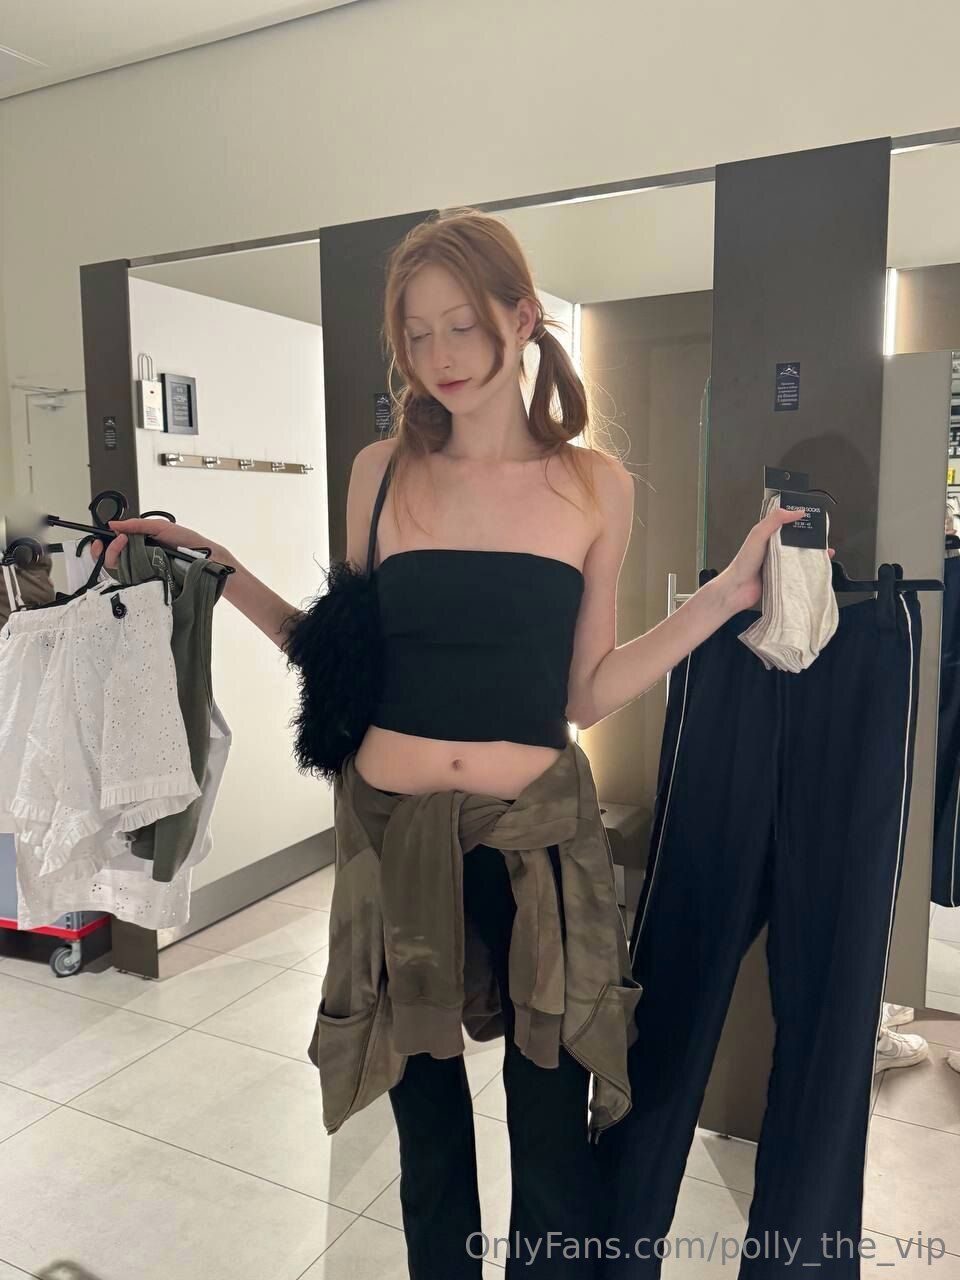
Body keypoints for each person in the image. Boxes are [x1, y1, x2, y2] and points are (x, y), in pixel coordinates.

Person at [91, 207, 809, 1277]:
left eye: (461, 325)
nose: (439, 356)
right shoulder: (380, 470)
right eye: (416, 334)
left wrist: (724, 599)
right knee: (428, 1141)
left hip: (537, 849)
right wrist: (215, 564)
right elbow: (337, 658)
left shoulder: (594, 486)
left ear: (521, 318)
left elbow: (583, 690)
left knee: (550, 1130)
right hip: (395, 843)